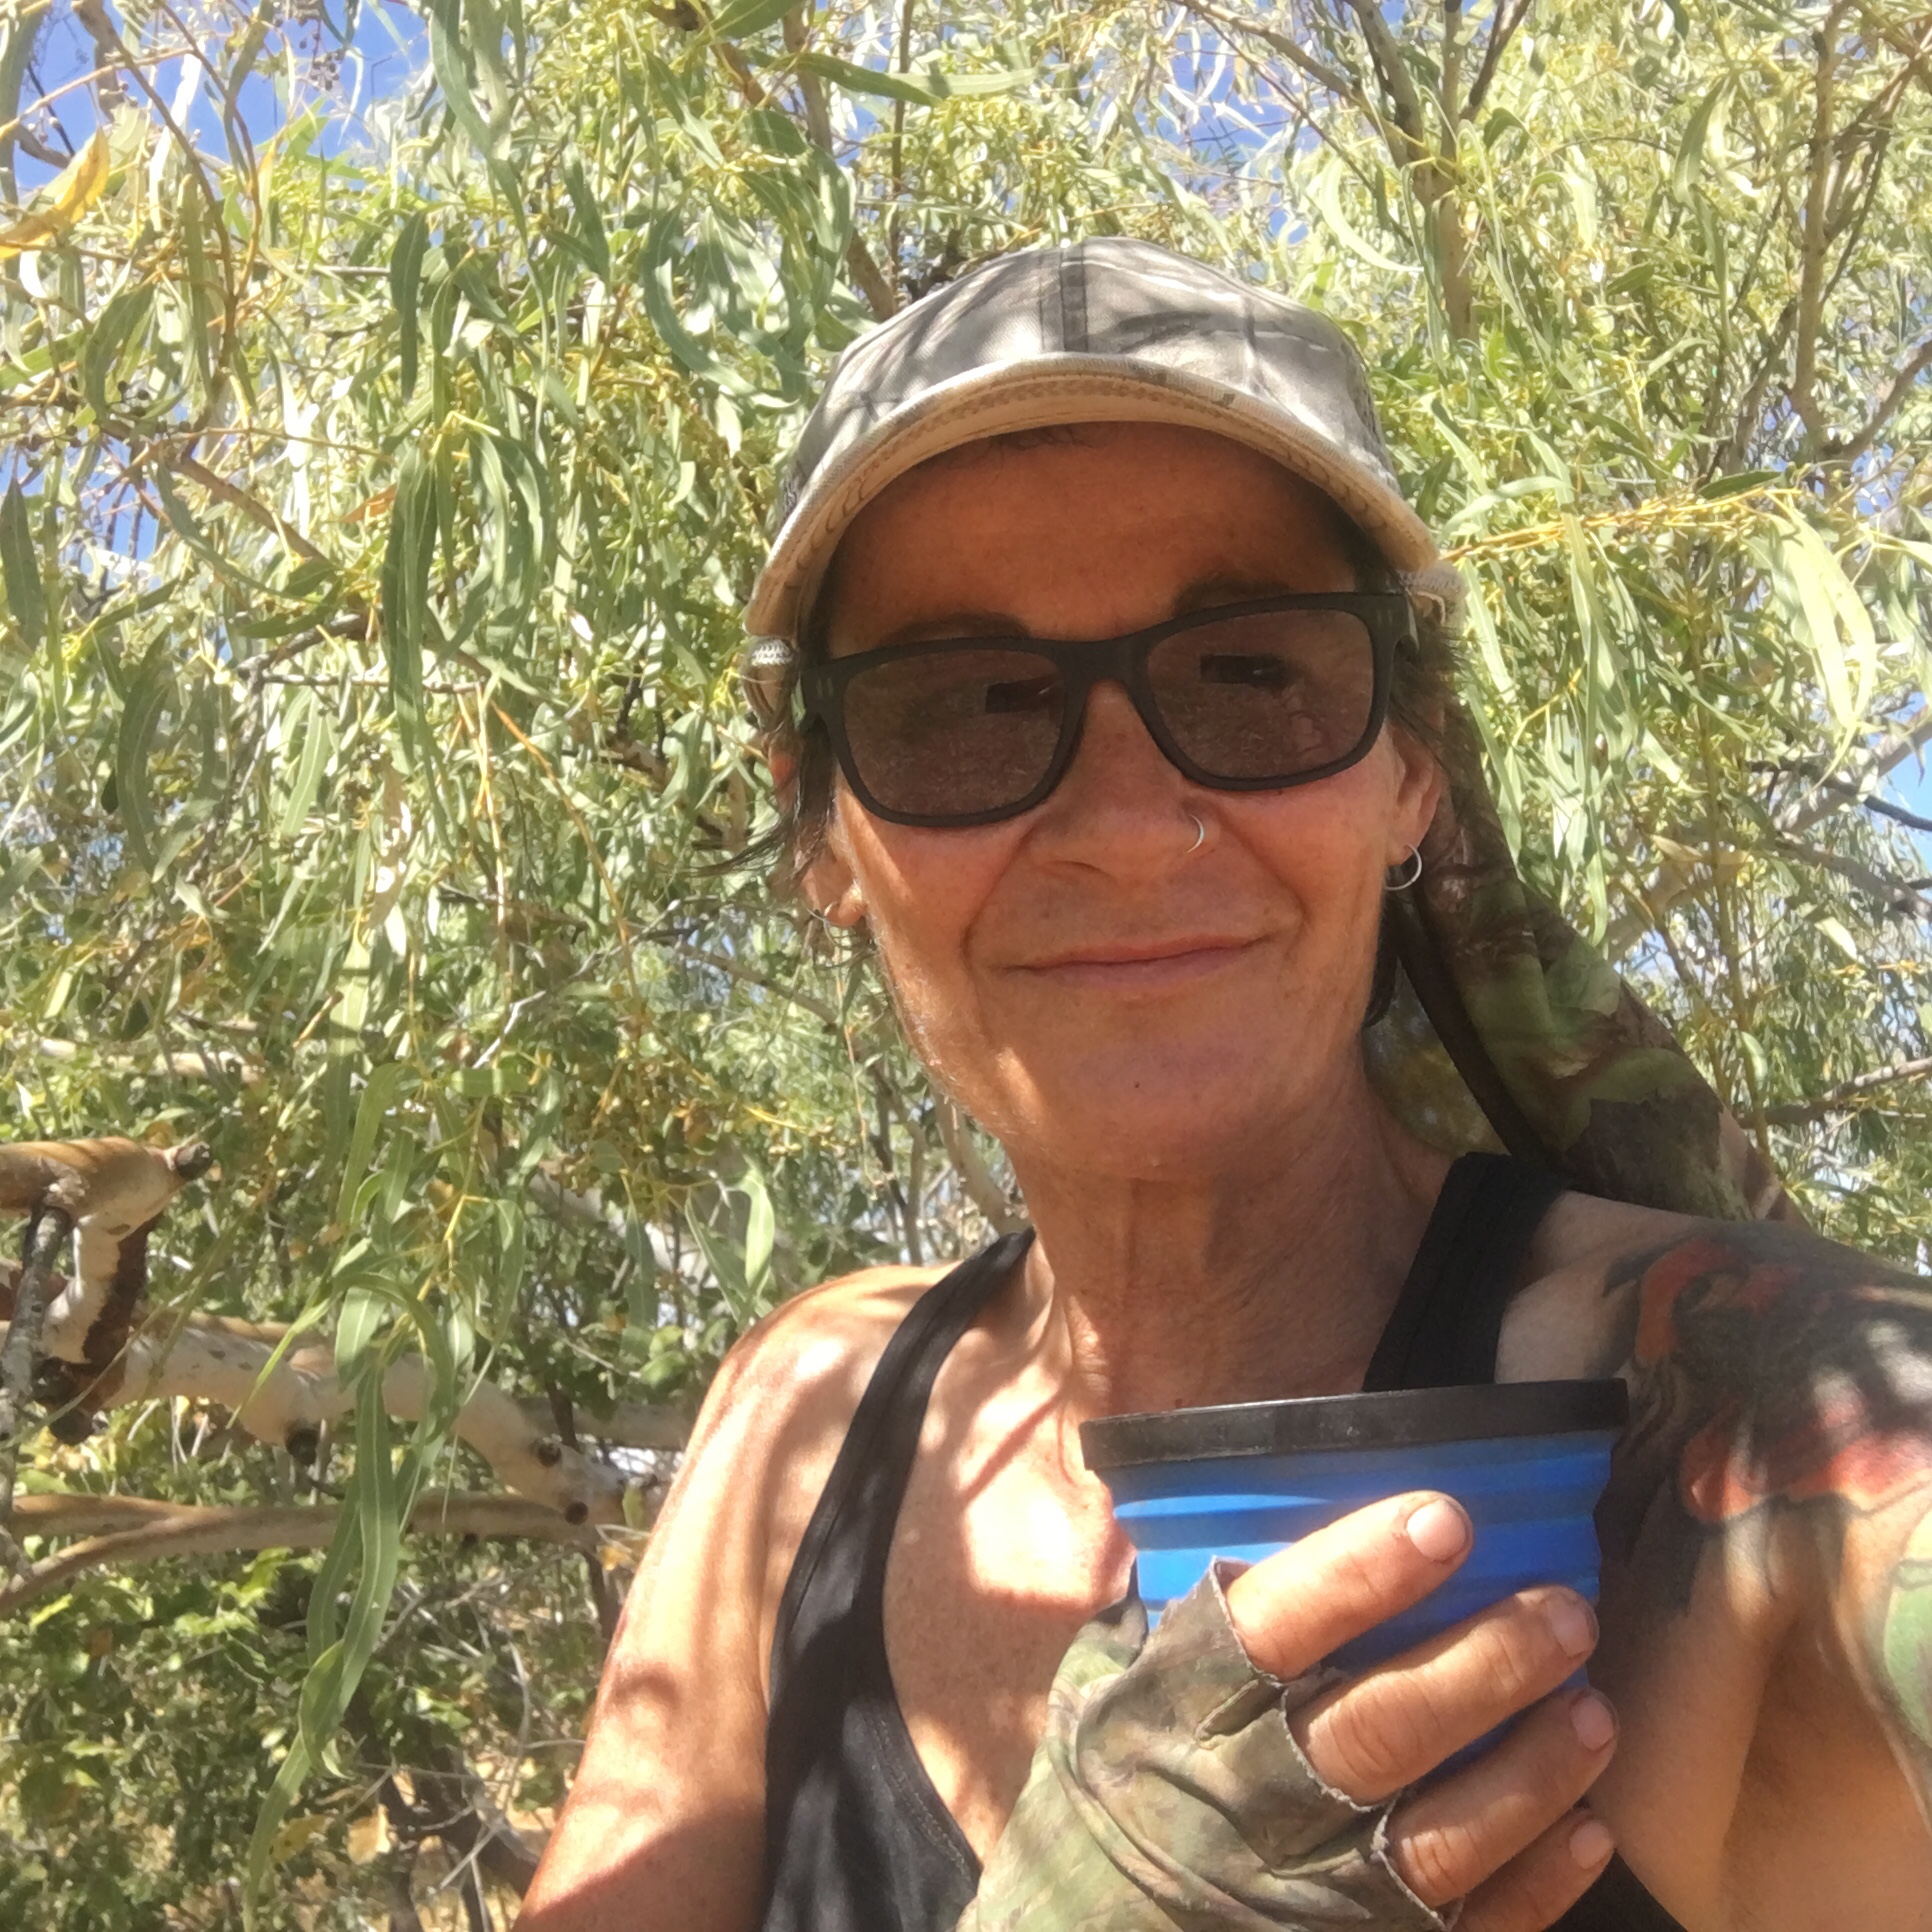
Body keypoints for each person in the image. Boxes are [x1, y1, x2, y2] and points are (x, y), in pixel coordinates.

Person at [518, 239, 1932, 1932]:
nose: (1127, 828)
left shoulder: (1739, 1402)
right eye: (962, 707)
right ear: (824, 830)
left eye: (1253, 674)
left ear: (1412, 772)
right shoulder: (806, 1416)